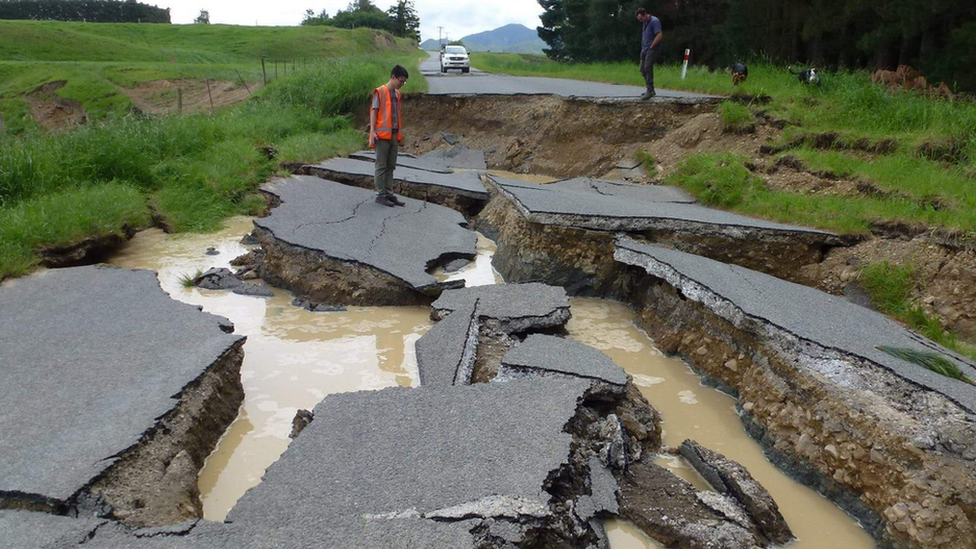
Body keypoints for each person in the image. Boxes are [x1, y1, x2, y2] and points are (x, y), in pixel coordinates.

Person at [369, 65, 409, 207]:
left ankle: (388, 192)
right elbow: (374, 112)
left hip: (393, 135)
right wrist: (372, 131)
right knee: (381, 165)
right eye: (400, 81)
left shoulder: (397, 94)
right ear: (393, 77)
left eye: (404, 82)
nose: (402, 84)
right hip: (381, 135)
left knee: (391, 165)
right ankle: (381, 195)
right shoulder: (380, 92)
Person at [636, 8, 663, 100]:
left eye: (641, 19)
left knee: (647, 67)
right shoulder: (645, 23)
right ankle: (651, 89)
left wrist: (652, 46)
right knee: (642, 69)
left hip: (652, 48)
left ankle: (649, 90)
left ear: (645, 14)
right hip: (644, 49)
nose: (641, 21)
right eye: (639, 20)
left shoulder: (654, 21)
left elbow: (659, 35)